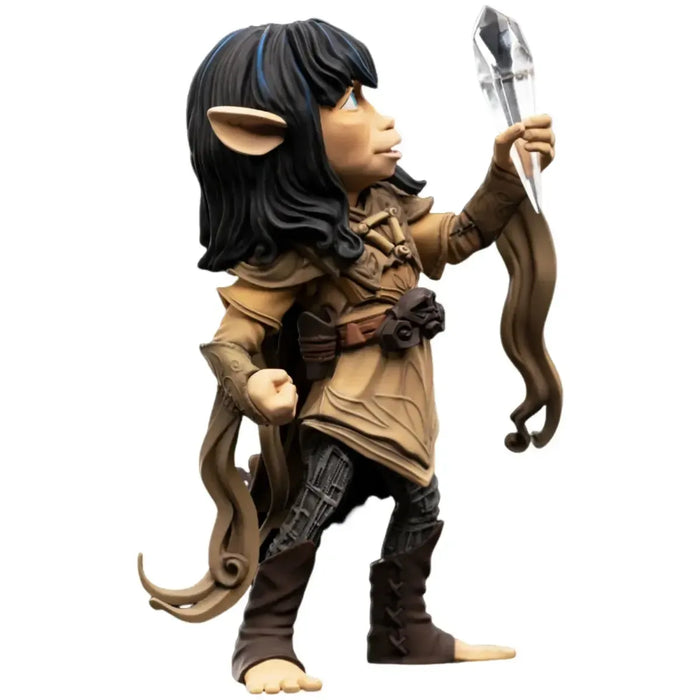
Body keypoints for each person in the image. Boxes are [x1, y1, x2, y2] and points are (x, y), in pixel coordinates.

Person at [138, 18, 562, 695]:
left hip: (405, 404)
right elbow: (232, 339)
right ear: (270, 133)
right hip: (342, 407)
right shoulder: (299, 243)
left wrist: (504, 174)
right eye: (349, 101)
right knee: (313, 504)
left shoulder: (389, 208)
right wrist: (255, 385)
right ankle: (263, 642)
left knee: (422, 503)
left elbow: (457, 237)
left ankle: (404, 633)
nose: (381, 118)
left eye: (365, 94)